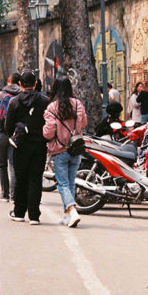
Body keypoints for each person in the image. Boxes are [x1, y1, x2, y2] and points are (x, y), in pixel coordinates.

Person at [4, 70, 50, 224]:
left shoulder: (14, 102)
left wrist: (15, 135)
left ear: (20, 84)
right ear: (35, 83)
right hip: (39, 144)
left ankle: (18, 212)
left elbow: (8, 126)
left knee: (21, 178)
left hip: (20, 145)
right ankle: (34, 215)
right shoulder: (45, 101)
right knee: (35, 179)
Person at [43, 76, 87, 228]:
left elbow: (48, 132)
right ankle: (67, 216)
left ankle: (72, 211)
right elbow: (84, 122)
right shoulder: (78, 104)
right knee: (70, 182)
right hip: (76, 148)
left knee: (62, 184)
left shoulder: (52, 107)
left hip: (59, 149)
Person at [0, 72, 21, 203]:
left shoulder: (0, 95)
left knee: (2, 166)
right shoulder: (21, 96)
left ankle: (5, 194)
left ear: (9, 81)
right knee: (13, 166)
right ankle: (14, 196)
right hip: (14, 134)